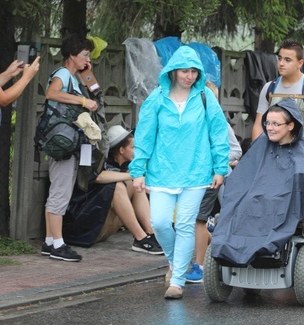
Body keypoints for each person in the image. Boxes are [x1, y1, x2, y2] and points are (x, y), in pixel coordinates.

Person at [131, 46, 229, 300]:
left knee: (185, 224)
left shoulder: (206, 97)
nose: (190, 76)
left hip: (196, 172)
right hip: (162, 171)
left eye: (194, 71)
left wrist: (220, 168)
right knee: (160, 223)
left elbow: (218, 134)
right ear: (173, 71)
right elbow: (144, 136)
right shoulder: (157, 98)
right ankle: (178, 262)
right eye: (185, 71)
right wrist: (138, 170)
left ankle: (177, 281)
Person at [210, 99, 304, 268]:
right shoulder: (262, 143)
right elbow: (244, 175)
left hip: (287, 203)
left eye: (276, 124)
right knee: (241, 206)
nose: (270, 128)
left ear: (290, 126)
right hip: (259, 200)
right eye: (267, 123)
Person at [41, 33, 98, 263]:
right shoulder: (63, 73)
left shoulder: (75, 77)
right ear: (72, 55)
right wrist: (82, 101)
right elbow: (51, 93)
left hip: (68, 142)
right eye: (84, 55)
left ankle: (49, 241)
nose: (87, 59)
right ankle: (58, 244)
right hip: (62, 142)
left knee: (59, 191)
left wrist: (87, 74)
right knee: (60, 192)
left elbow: (95, 91)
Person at [63, 125, 163, 254]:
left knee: (135, 184)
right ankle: (141, 239)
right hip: (83, 227)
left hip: (103, 225)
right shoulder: (101, 161)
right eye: (133, 147)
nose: (136, 151)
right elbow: (98, 177)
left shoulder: (126, 165)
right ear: (121, 150)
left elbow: (144, 187)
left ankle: (152, 232)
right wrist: (133, 176)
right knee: (118, 187)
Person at [184, 81, 243, 284]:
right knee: (190, 221)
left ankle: (199, 266)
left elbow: (236, 150)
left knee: (199, 220)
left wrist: (215, 161)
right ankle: (206, 254)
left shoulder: (218, 122)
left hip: (210, 177)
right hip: (189, 177)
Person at [251, 40, 304, 141]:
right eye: (279, 58)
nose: (281, 63)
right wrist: (257, 153)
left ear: (300, 63)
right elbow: (259, 125)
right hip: (273, 153)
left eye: (287, 60)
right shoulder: (269, 88)